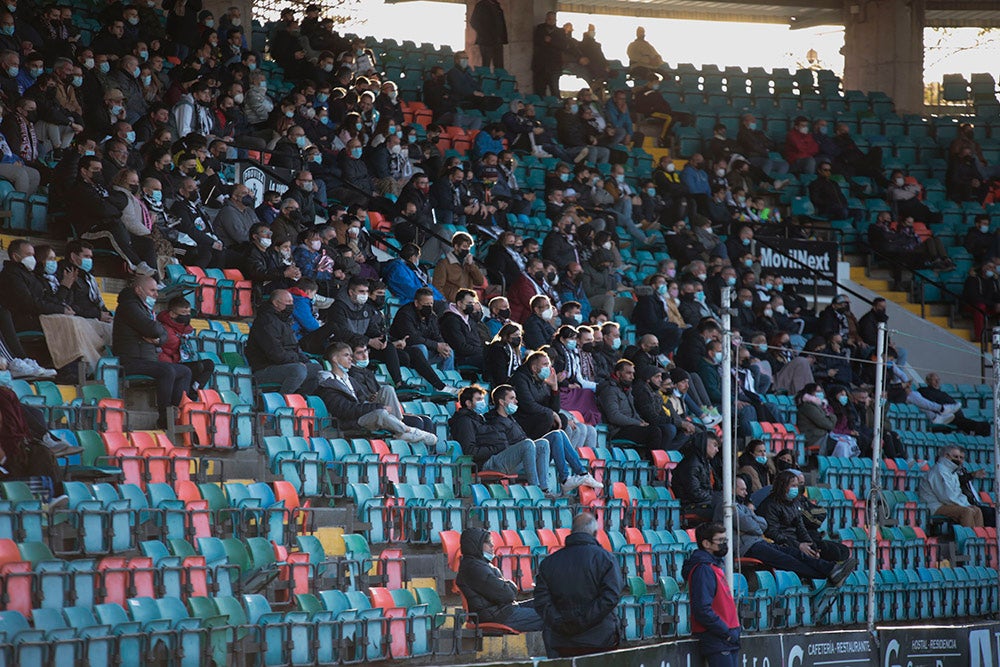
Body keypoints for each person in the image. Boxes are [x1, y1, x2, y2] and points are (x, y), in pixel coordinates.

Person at [534, 512, 622, 657]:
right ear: (594, 533)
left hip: (561, 641)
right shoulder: (606, 559)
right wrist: (583, 621)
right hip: (599, 639)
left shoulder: (549, 563)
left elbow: (541, 600)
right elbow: (610, 597)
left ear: (571, 531)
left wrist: (561, 623)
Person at [316, 342, 437, 446]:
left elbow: (361, 399)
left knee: (387, 389)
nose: (350, 359)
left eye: (351, 356)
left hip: (363, 413)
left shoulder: (349, 379)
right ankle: (406, 430)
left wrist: (370, 399)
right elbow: (346, 410)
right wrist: (377, 406)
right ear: (335, 359)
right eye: (346, 355)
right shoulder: (328, 385)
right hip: (351, 421)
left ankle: (399, 428)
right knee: (381, 412)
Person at [112, 276, 192, 428]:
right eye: (152, 290)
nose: (156, 294)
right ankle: (164, 418)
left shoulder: (145, 309)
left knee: (185, 371)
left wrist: (157, 338)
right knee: (167, 370)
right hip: (130, 361)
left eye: (156, 290)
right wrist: (158, 332)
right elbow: (153, 328)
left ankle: (175, 413)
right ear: (138, 290)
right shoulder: (129, 306)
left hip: (147, 360)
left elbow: (163, 335)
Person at [448, 385, 551, 491]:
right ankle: (534, 489)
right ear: (468, 403)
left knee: (543, 444)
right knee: (527, 444)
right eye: (478, 399)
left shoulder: (479, 418)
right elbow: (470, 451)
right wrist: (497, 447)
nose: (482, 402)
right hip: (486, 463)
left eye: (483, 399)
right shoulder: (464, 422)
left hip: (497, 457)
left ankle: (543, 488)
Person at [456, 527, 541, 632]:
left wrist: (508, 585)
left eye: (492, 542)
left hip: (504, 610)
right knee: (553, 616)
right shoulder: (474, 568)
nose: (492, 546)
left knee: (548, 603)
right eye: (487, 543)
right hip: (499, 616)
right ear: (475, 545)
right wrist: (510, 584)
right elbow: (507, 595)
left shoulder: (480, 564)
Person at [681, 522, 740, 667]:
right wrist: (725, 632)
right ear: (706, 543)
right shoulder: (703, 569)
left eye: (725, 540)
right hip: (718, 638)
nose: (724, 544)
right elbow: (702, 608)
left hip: (725, 637)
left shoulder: (713, 566)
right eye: (720, 541)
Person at [244, 289, 322, 395]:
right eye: (288, 302)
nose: (292, 305)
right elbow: (275, 354)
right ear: (276, 303)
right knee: (298, 370)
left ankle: (301, 400)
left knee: (317, 369)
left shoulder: (283, 320)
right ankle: (283, 401)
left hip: (285, 364)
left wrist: (305, 361)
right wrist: (296, 361)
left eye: (292, 302)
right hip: (264, 369)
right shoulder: (266, 322)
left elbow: (295, 347)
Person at [596, 359, 664, 450]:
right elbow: (614, 416)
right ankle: (652, 461)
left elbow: (633, 412)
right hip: (617, 430)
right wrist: (638, 423)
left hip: (630, 426)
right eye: (629, 373)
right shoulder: (610, 390)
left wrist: (641, 422)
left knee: (658, 429)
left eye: (633, 373)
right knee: (654, 432)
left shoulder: (626, 389)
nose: (632, 377)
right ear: (618, 374)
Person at [156, 296, 215, 399]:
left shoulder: (182, 328)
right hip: (168, 365)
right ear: (172, 314)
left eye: (189, 313)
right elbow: (174, 344)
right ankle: (187, 399)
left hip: (179, 363)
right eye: (184, 313)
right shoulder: (164, 328)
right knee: (187, 371)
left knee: (208, 365)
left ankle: (193, 390)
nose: (187, 316)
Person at [918, 445, 985, 528]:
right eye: (956, 457)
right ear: (946, 456)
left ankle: (979, 538)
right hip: (935, 506)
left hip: (947, 504)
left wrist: (965, 504)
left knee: (977, 510)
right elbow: (946, 496)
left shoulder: (952, 472)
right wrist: (964, 505)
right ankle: (968, 537)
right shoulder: (939, 471)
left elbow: (957, 493)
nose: (959, 460)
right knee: (967, 511)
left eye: (961, 457)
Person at [918, 373, 991, 436]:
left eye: (938, 379)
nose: (937, 382)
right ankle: (976, 430)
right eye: (934, 380)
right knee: (966, 423)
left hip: (954, 414)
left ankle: (977, 431)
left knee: (967, 422)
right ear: (928, 381)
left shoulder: (942, 393)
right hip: (943, 415)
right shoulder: (924, 391)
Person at [672, 431, 721, 521]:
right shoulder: (692, 464)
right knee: (723, 510)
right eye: (714, 445)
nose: (717, 450)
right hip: (690, 506)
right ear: (704, 443)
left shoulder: (704, 462)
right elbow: (694, 493)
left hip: (702, 503)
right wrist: (714, 498)